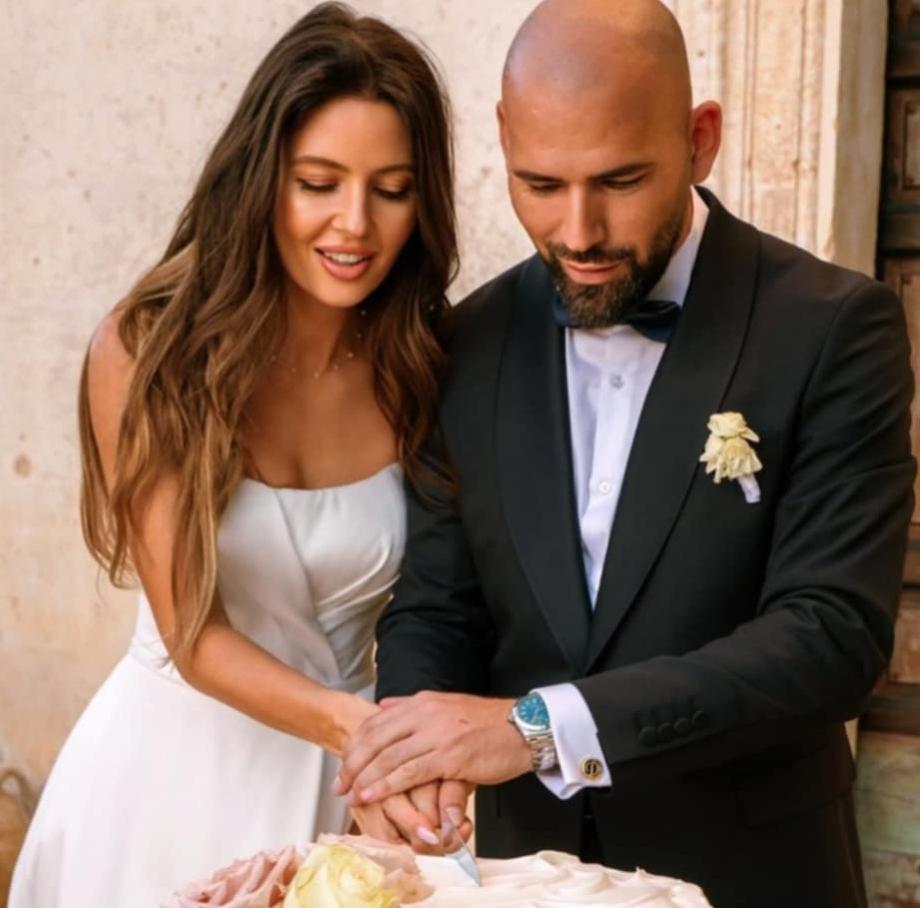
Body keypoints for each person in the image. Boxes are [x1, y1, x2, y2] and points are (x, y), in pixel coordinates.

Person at [333, 1, 915, 905]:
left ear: (700, 140)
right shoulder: (465, 341)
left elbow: (830, 638)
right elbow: (438, 608)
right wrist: (414, 761)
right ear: (504, 139)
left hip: (752, 877)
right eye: (540, 183)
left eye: (620, 179)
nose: (578, 231)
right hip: (520, 879)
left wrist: (534, 728)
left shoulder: (835, 328)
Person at [9, 4, 469, 905]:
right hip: (160, 786)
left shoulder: (421, 359)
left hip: (347, 797)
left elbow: (450, 600)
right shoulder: (148, 349)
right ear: (262, 179)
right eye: (318, 182)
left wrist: (413, 762)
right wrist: (364, 737)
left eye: (391, 189)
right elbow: (193, 635)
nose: (355, 223)